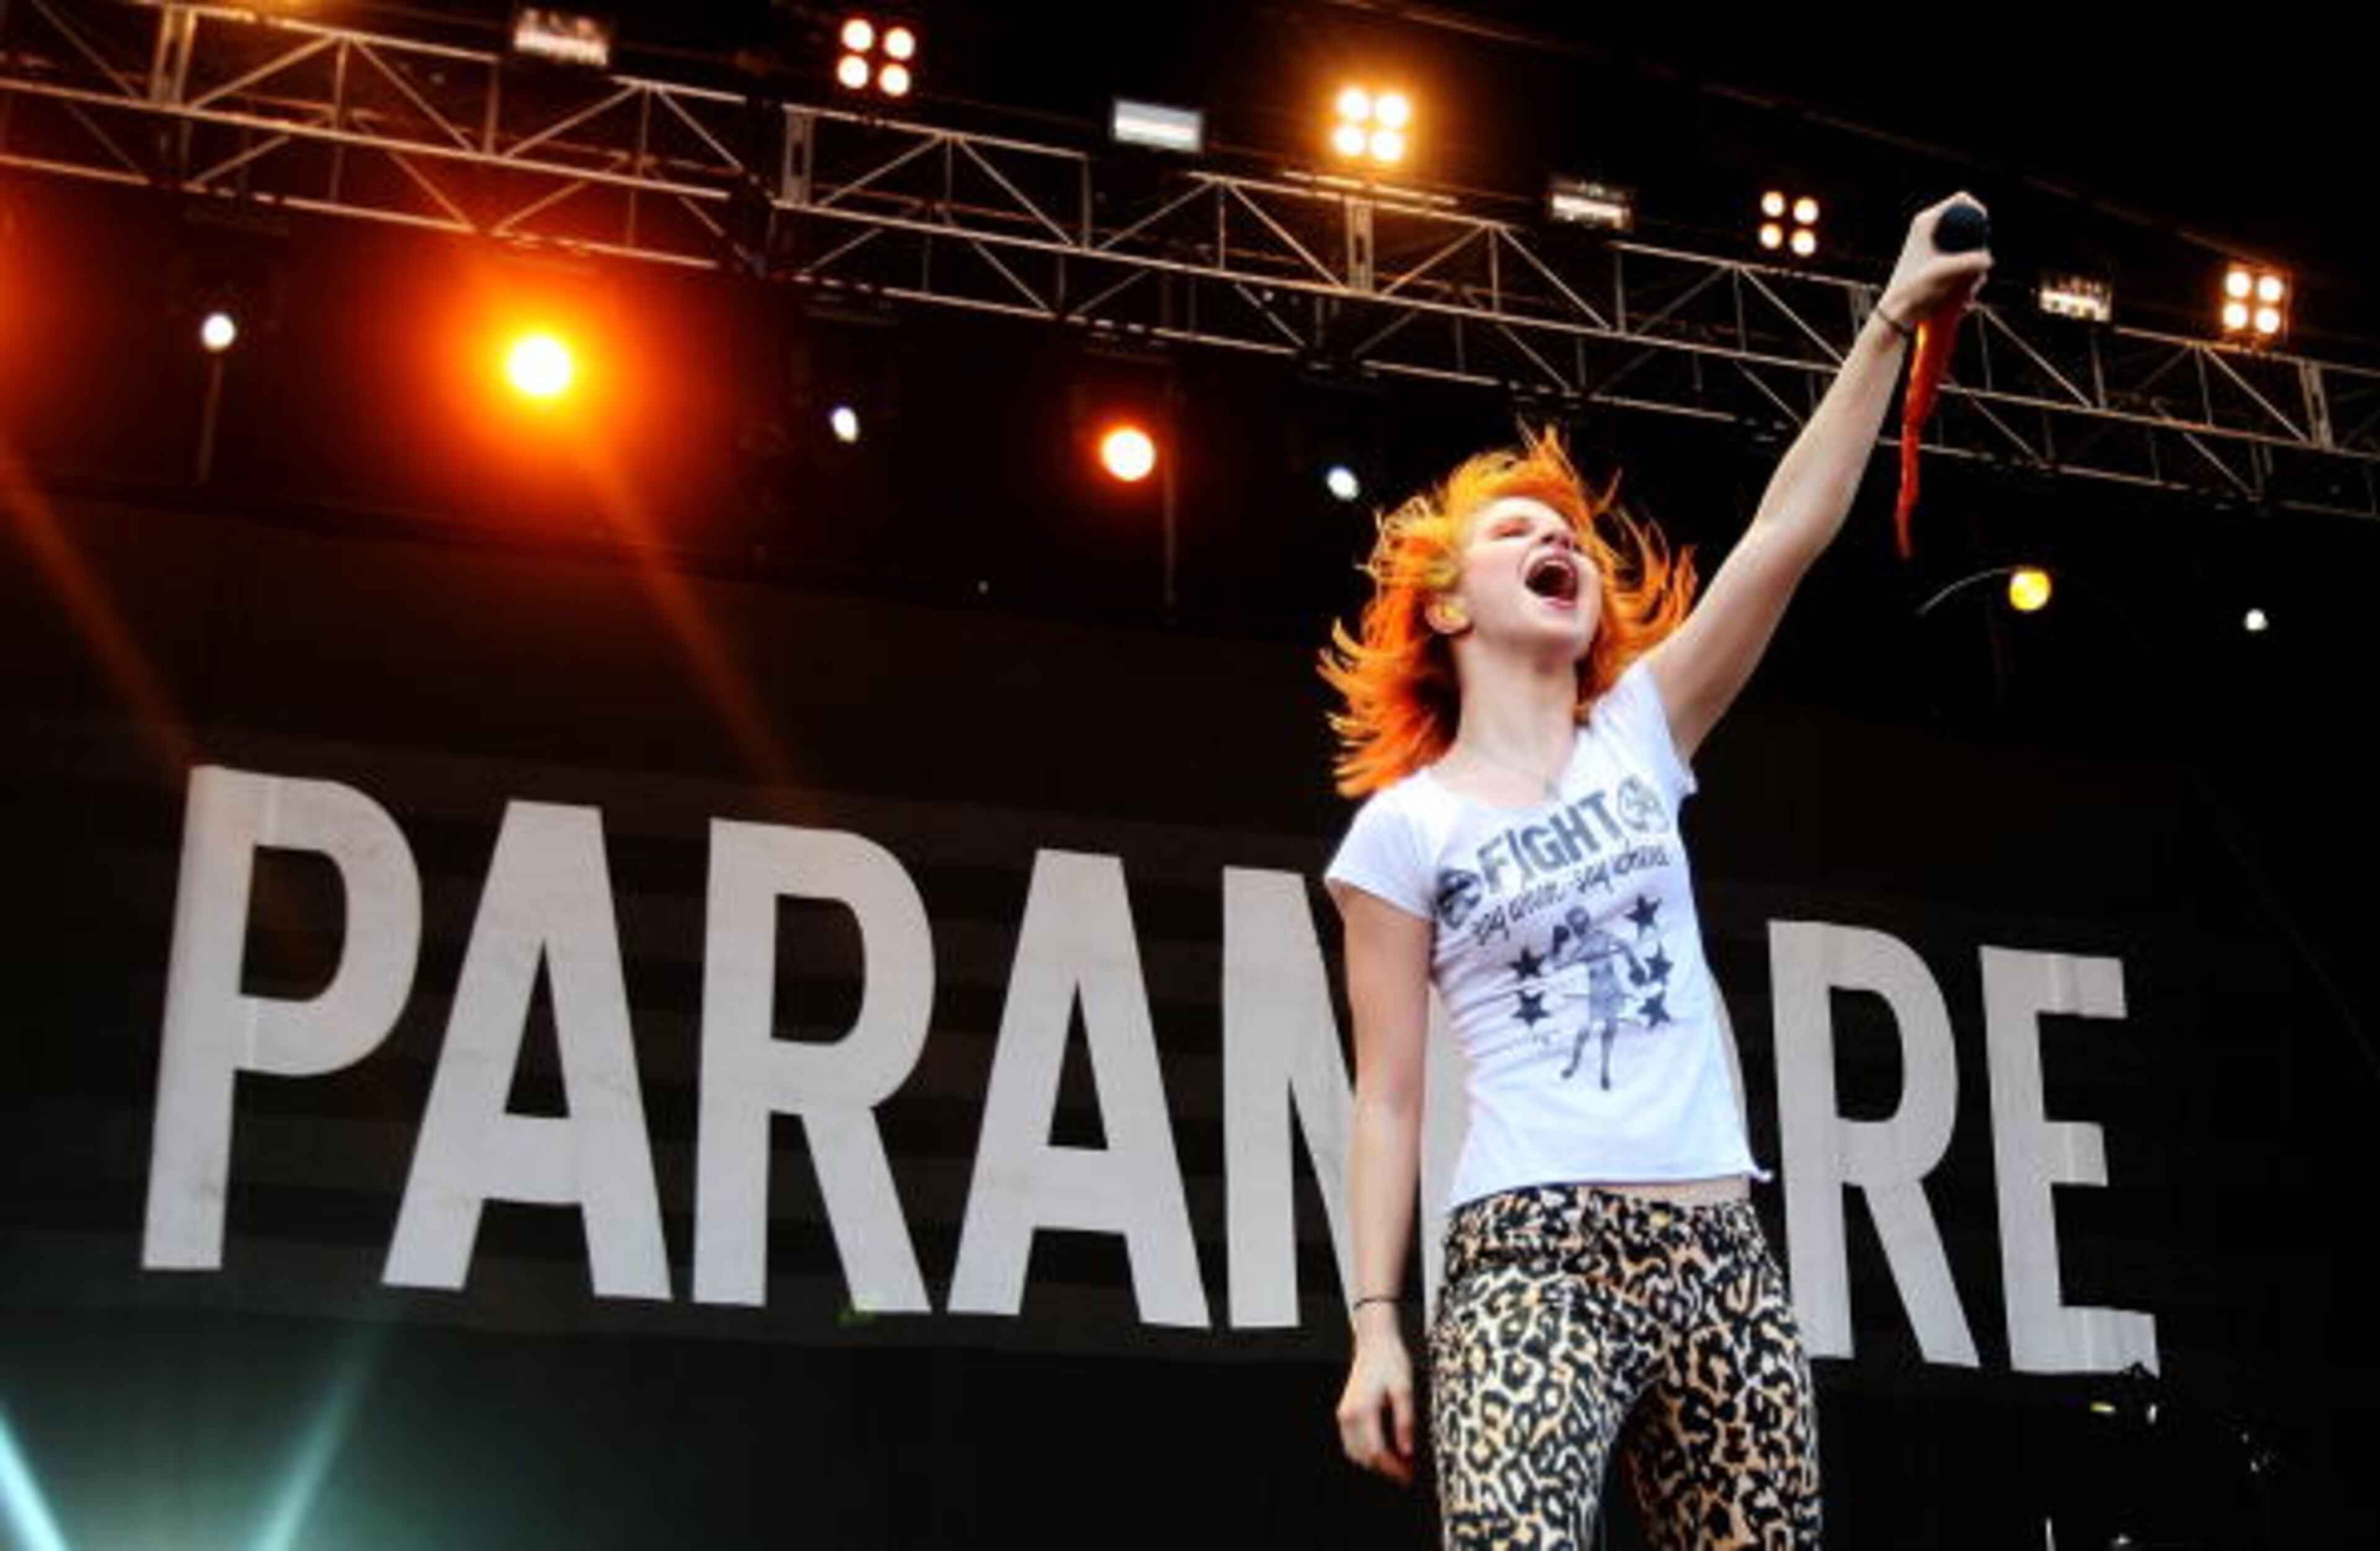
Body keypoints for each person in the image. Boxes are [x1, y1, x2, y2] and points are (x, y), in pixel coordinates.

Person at [1321, 195, 1991, 1548]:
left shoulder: (1639, 734)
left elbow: (1785, 534)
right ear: (1448, 605)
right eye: (1514, 536)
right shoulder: (1404, 828)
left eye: (1563, 536)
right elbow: (1387, 1100)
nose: (1553, 543)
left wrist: (1886, 323)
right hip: (1532, 1254)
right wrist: (1377, 1329)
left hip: (1718, 1251)